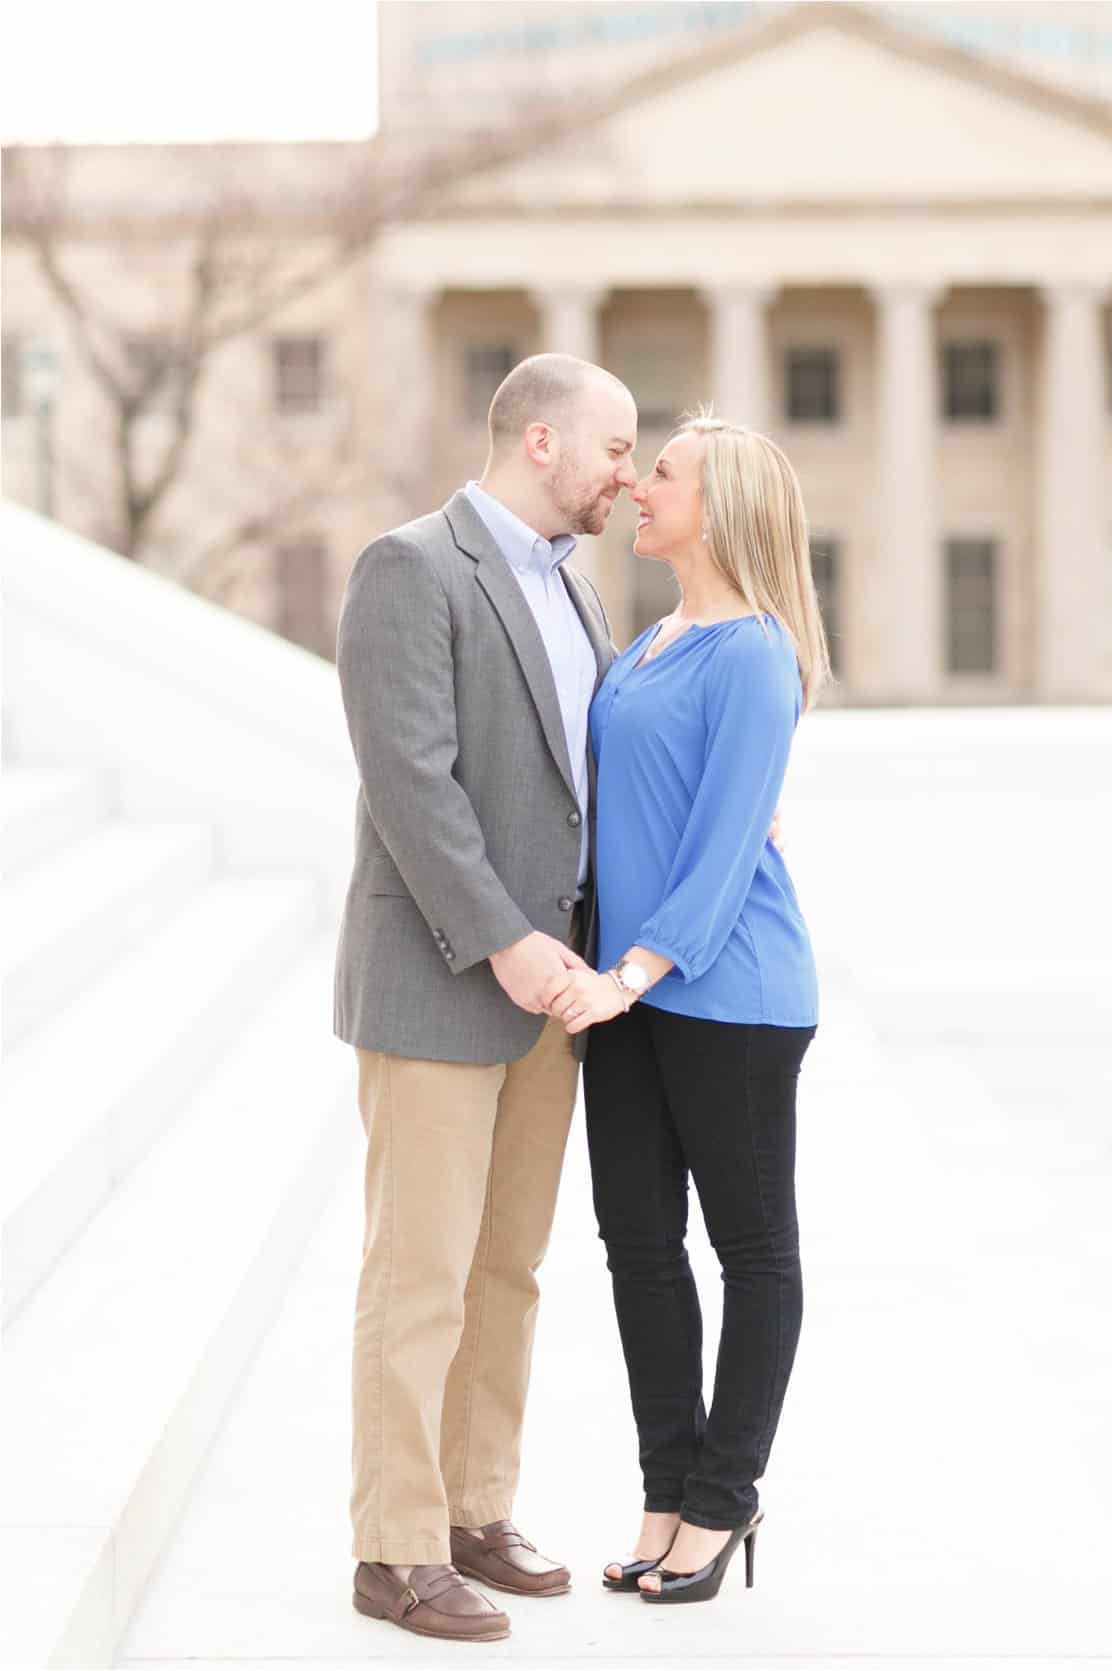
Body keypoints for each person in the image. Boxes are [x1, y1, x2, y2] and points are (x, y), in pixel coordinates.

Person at [333, 354, 638, 1643]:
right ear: (545, 442)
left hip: (556, 992)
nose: (629, 475)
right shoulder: (409, 568)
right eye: (618, 449)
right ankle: (394, 1550)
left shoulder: (574, 589)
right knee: (423, 1276)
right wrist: (506, 941)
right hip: (447, 979)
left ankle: (475, 1511)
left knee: (508, 1270)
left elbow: (587, 773)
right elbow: (410, 784)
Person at [544, 413, 830, 1606]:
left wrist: (632, 973)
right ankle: (668, 1490)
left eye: (661, 472)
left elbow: (719, 854)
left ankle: (726, 1500)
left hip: (730, 991)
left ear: (720, 510)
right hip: (632, 988)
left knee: (751, 1252)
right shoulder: (651, 640)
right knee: (638, 1248)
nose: (637, 484)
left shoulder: (757, 650)